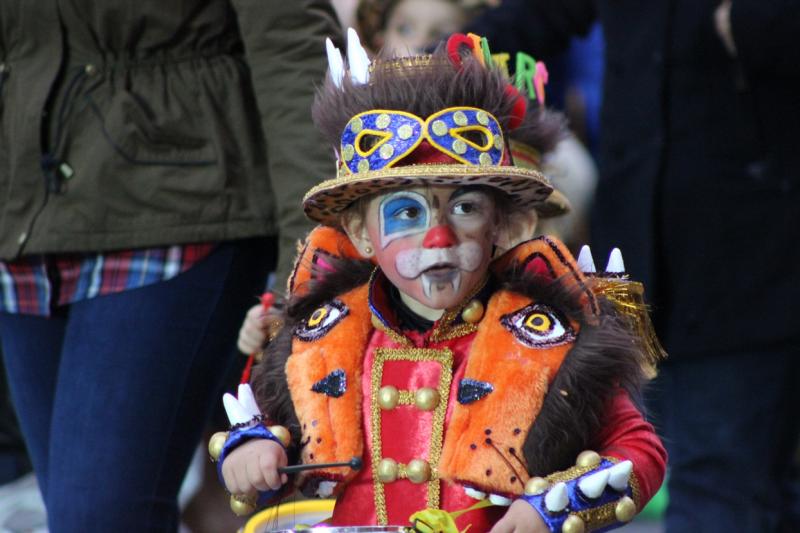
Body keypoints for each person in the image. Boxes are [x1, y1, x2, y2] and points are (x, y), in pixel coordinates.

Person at [213, 32, 666, 532]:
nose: (438, 238)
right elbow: (269, 431)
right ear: (361, 235)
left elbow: (637, 451)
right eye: (405, 211)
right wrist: (253, 451)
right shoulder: (322, 336)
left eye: (466, 207)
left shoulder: (551, 339)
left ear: (507, 226)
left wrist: (553, 510)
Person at [0, 1, 341, 531]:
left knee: (102, 517)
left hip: (180, 207)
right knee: (76, 513)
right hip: (22, 217)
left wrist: (313, 260)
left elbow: (291, 47)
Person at [468, 1, 800, 531]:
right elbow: (534, 17)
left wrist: (756, 22)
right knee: (701, 478)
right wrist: (433, 67)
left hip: (753, 257)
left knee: (725, 485)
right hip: (639, 255)